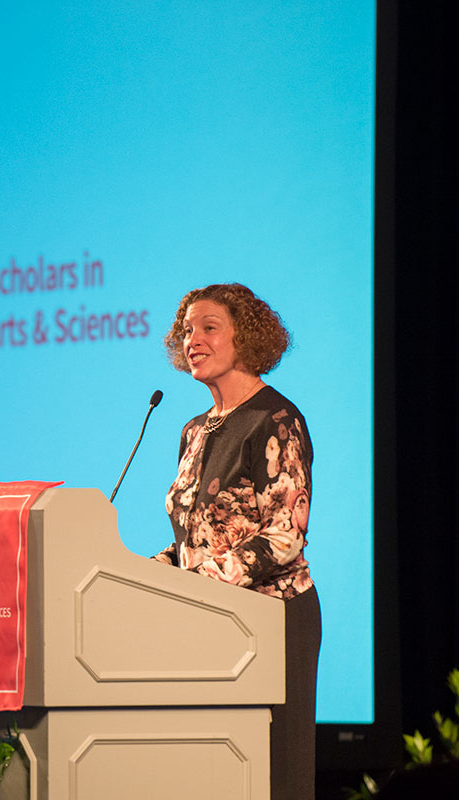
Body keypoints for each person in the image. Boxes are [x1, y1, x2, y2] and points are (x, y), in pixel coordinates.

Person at [154, 282, 321, 800]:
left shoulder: (275, 419)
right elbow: (194, 538)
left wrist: (200, 581)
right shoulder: (194, 430)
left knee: (277, 774)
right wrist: (149, 571)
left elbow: (284, 534)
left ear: (244, 338)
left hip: (274, 620)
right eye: (186, 332)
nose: (193, 341)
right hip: (211, 622)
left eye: (209, 328)